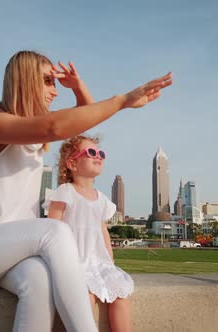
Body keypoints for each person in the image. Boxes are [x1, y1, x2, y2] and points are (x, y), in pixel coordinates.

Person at [0, 50, 172, 332]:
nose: (55, 91)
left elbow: (80, 125)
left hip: (10, 255)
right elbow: (55, 127)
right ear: (25, 81)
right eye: (48, 81)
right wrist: (122, 101)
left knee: (40, 281)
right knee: (55, 231)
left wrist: (79, 88)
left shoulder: (33, 140)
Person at [45, 135, 134, 332]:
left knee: (122, 296)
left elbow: (102, 229)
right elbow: (52, 226)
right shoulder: (65, 191)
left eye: (101, 153)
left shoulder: (101, 198)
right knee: (85, 297)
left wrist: (110, 260)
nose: (99, 156)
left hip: (99, 262)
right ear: (72, 163)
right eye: (91, 153)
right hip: (74, 261)